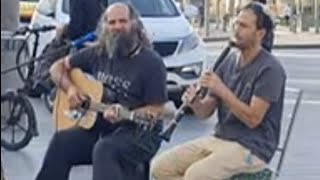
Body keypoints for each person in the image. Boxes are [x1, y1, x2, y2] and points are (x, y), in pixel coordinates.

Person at [151, 2, 286, 180]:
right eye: (236, 23)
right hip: (221, 138)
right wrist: (195, 102)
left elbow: (253, 119)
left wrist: (221, 89)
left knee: (196, 175)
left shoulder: (270, 69)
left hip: (253, 147)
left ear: (260, 34)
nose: (236, 30)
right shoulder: (228, 61)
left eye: (244, 26)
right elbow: (206, 112)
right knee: (160, 168)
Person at [35, 2, 168, 180]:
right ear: (104, 26)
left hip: (140, 133)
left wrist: (126, 114)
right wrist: (71, 89)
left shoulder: (151, 63)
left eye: (123, 21)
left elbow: (157, 110)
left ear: (134, 24)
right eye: (111, 23)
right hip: (103, 124)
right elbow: (56, 68)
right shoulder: (99, 53)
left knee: (105, 150)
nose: (117, 27)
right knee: (61, 142)